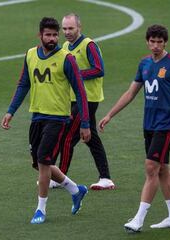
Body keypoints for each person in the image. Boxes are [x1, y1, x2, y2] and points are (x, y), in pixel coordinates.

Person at [98, 24, 170, 232]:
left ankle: (138, 219)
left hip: (166, 126)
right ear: (147, 42)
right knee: (163, 169)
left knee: (151, 167)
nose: (156, 46)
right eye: (153, 41)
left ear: (165, 42)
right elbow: (131, 93)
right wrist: (109, 114)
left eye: (160, 42)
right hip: (149, 126)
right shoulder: (144, 64)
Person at [1, 17, 91, 224]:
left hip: (58, 118)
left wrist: (85, 123)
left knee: (43, 160)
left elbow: (80, 91)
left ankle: (40, 210)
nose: (52, 39)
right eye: (48, 35)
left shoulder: (66, 58)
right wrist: (11, 111)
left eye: (54, 35)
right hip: (37, 116)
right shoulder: (31, 55)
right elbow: (24, 83)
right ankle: (75, 190)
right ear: (40, 35)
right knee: (39, 163)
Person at [49, 13, 115, 190]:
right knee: (91, 138)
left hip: (88, 99)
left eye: (71, 28)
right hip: (73, 98)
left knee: (67, 138)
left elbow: (99, 69)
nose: (67, 32)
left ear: (79, 27)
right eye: (64, 29)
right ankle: (106, 178)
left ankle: (59, 178)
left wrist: (75, 74)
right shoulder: (65, 46)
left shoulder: (89, 45)